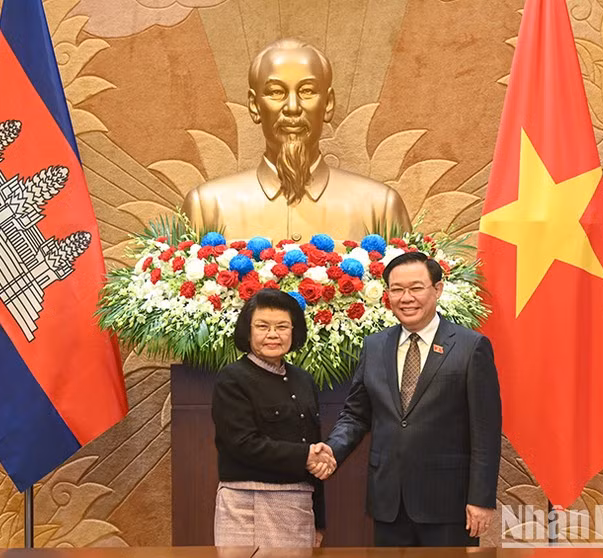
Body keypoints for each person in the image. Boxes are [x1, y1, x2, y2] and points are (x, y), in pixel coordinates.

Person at [318, 252, 502, 547]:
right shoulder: (375, 346)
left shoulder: (471, 347)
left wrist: (481, 498)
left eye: (416, 288)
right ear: (387, 294)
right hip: (388, 502)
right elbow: (355, 414)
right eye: (397, 289)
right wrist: (332, 449)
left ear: (437, 289)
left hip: (447, 503)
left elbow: (485, 431)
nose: (406, 298)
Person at [181, 38, 411, 242]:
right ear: (254, 106)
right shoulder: (208, 207)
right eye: (276, 92)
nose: (292, 108)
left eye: (307, 91)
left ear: (328, 103)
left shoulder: (380, 207)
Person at [212, 288, 335, 547]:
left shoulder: (304, 379)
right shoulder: (232, 378)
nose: (272, 334)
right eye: (262, 326)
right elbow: (242, 444)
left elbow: (312, 448)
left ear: (294, 331)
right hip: (247, 506)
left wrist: (319, 520)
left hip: (300, 506)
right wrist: (305, 456)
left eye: (282, 326)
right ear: (248, 330)